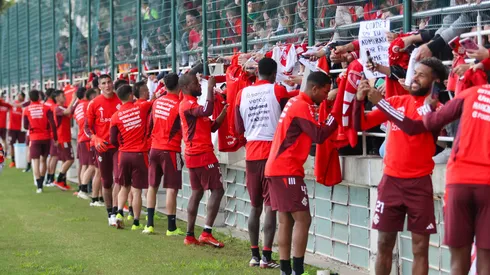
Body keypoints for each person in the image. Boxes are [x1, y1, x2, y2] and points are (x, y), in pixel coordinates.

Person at [353, 57, 448, 275]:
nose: (414, 78)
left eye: (421, 75)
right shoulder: (397, 101)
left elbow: (413, 128)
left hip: (419, 184)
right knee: (384, 243)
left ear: (435, 83)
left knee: (420, 248)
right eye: (414, 73)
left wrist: (382, 103)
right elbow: (361, 124)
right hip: (390, 182)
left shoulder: (435, 106)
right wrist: (359, 101)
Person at [413, 84, 490, 275]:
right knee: (486, 260)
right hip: (487, 184)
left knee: (458, 262)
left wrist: (429, 106)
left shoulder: (470, 93)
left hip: (459, 181)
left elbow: (431, 123)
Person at [264, 71, 337, 275]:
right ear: (314, 88)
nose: (326, 95)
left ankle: (286, 269)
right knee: (303, 219)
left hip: (277, 169)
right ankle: (297, 269)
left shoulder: (297, 102)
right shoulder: (301, 105)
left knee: (285, 220)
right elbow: (319, 135)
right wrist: (336, 115)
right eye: (324, 91)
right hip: (286, 170)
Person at [234, 58, 291, 269]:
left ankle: (254, 256)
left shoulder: (242, 93)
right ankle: (267, 257)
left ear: (257, 73)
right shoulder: (278, 91)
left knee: (255, 207)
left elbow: (238, 128)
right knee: (270, 208)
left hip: (251, 155)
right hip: (272, 155)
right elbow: (288, 120)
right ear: (274, 74)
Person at [179, 74, 227, 247]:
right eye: (195, 83)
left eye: (199, 83)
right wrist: (210, 88)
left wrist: (224, 112)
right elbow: (207, 110)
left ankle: (190, 235)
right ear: (185, 87)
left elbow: (211, 126)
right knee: (217, 190)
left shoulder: (193, 105)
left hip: (194, 155)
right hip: (202, 154)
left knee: (197, 192)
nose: (199, 85)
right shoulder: (188, 105)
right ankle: (206, 232)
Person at [144, 73, 184, 236]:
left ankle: (149, 224)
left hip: (154, 148)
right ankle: (171, 227)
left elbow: (150, 124)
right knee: (172, 188)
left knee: (152, 186)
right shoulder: (179, 105)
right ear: (179, 86)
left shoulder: (157, 102)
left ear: (165, 86)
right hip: (171, 150)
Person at [110, 85, 152, 230]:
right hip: (140, 154)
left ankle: (120, 212)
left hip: (124, 155)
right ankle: (135, 222)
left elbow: (112, 140)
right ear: (130, 95)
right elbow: (155, 101)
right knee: (137, 190)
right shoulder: (141, 107)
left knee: (124, 186)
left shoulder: (115, 116)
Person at [84, 74, 122, 226]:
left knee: (120, 179)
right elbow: (87, 128)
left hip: (119, 147)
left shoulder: (121, 100)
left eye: (109, 82)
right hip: (101, 147)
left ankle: (118, 210)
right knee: (106, 182)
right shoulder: (93, 103)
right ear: (99, 86)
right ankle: (110, 214)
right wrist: (95, 138)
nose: (107, 86)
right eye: (104, 83)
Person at [23, 90, 57, 193]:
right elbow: (52, 124)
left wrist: (32, 126)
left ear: (30, 98)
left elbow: (25, 126)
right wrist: (55, 138)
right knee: (43, 160)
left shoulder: (27, 109)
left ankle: (39, 186)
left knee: (35, 162)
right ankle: (42, 182)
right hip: (45, 137)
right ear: (39, 97)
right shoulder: (46, 108)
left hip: (34, 138)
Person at [74, 88, 98, 200]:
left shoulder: (78, 106)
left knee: (84, 165)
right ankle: (83, 189)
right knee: (92, 166)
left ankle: (81, 188)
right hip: (87, 138)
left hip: (81, 138)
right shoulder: (87, 105)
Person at [52, 89, 78, 191]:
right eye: (63, 96)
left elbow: (70, 111)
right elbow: (68, 111)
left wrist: (76, 101)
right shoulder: (57, 108)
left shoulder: (62, 107)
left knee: (65, 160)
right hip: (63, 138)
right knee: (70, 159)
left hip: (65, 137)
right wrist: (73, 99)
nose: (65, 97)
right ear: (57, 98)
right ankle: (58, 179)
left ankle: (63, 182)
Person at [7, 92, 27, 168]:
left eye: (20, 95)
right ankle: (13, 161)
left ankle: (22, 160)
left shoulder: (24, 106)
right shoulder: (12, 104)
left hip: (21, 129)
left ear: (23, 97)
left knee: (22, 145)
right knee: (12, 144)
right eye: (18, 95)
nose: (18, 96)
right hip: (11, 128)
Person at [44, 89, 58, 187]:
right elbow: (54, 122)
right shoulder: (53, 106)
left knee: (51, 157)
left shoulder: (45, 104)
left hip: (47, 134)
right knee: (54, 156)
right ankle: (51, 178)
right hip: (53, 134)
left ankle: (49, 177)